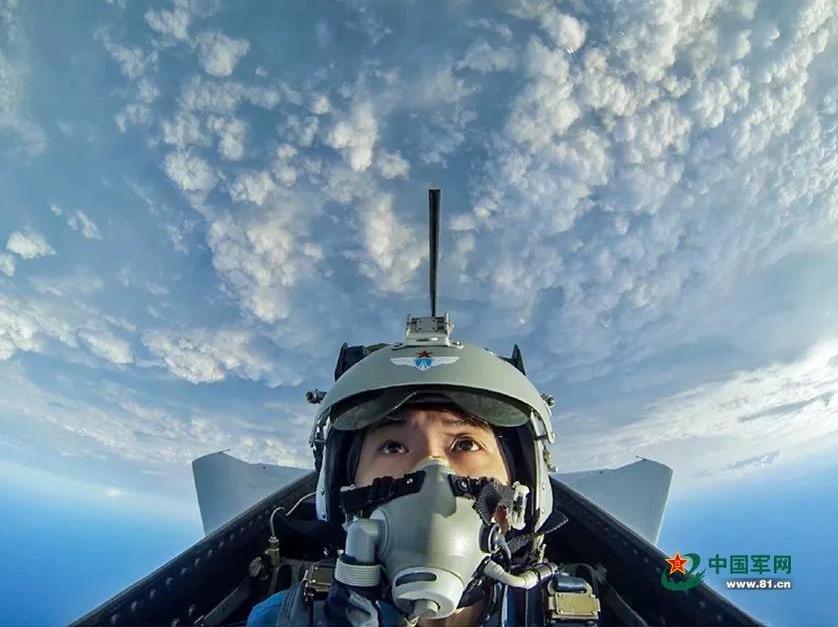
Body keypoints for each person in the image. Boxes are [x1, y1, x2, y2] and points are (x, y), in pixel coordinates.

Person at [247, 335, 567, 626]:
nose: (433, 474)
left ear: (519, 490)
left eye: (466, 444)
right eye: (393, 447)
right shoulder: (281, 619)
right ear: (344, 490)